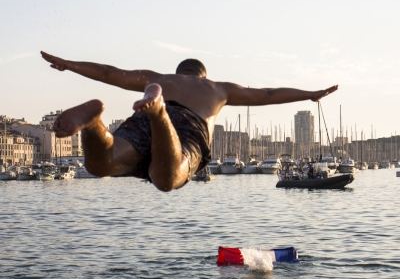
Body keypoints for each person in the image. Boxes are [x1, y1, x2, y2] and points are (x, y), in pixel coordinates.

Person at [41, 51, 338, 192]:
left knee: (100, 164)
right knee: (167, 179)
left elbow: (109, 71)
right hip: (186, 129)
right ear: (202, 75)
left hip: (141, 117)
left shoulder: (159, 78)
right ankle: (159, 113)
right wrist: (310, 94)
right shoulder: (218, 89)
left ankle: (94, 123)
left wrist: (69, 64)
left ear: (178, 73)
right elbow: (269, 93)